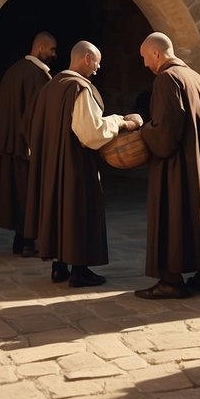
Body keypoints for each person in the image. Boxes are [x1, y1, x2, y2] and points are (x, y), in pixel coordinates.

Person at [28, 40, 142, 287]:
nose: (98, 69)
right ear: (86, 58)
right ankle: (80, 270)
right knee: (78, 211)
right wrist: (120, 122)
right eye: (97, 63)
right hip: (74, 164)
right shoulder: (78, 88)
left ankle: (59, 267)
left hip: (51, 164)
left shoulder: (50, 87)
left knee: (59, 210)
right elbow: (91, 132)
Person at [134, 32, 200, 299]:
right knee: (198, 213)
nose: (145, 64)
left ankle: (170, 282)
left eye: (145, 58)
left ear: (157, 53)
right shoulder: (196, 78)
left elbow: (165, 135)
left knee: (174, 216)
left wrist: (144, 131)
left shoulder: (167, 79)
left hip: (178, 168)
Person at [0, 31, 56, 256]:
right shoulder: (35, 75)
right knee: (29, 194)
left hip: (9, 145)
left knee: (16, 193)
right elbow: (35, 116)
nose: (55, 54)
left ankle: (20, 240)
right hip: (25, 148)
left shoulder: (14, 71)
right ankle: (27, 242)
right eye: (52, 49)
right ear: (40, 48)